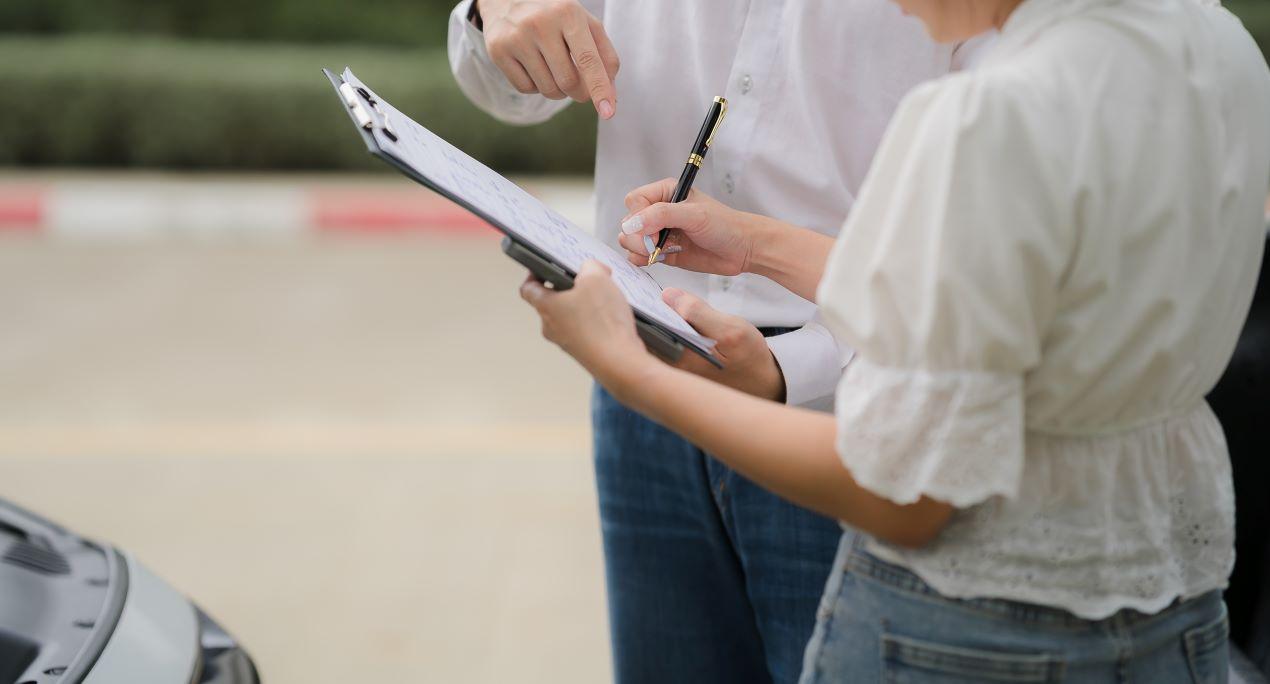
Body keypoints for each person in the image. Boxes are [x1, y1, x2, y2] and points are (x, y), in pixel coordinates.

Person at [518, 0, 1270, 680]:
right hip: (1172, 618)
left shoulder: (984, 112)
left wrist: (626, 368)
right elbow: (1033, 303)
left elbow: (903, 493)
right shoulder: (1219, 49)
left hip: (955, 638)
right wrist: (759, 245)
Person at [448, 2, 980, 681]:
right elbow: (501, 82)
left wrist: (791, 369)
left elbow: (979, 268)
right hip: (641, 379)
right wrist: (498, 12)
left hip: (850, 407)